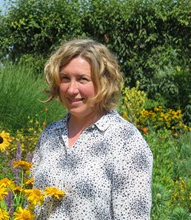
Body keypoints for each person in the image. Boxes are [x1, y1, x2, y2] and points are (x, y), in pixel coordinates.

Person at [31, 39, 153, 219]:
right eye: (65, 78)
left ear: (104, 83)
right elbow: (31, 202)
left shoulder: (126, 141)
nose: (72, 89)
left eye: (83, 79)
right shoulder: (50, 134)